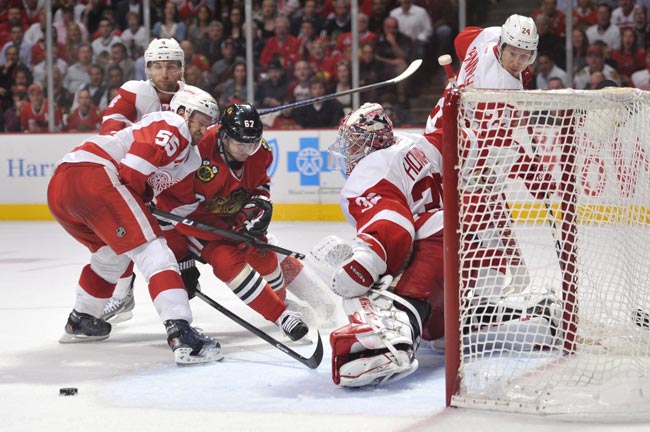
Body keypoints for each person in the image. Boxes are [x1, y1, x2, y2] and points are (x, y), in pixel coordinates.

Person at [47, 85, 222, 365]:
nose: (203, 131)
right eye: (201, 122)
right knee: (154, 252)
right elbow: (133, 174)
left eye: (208, 125)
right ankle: (182, 334)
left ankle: (82, 319)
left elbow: (165, 201)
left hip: (62, 188)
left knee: (111, 255)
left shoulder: (191, 157)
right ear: (183, 111)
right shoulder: (173, 123)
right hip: (95, 174)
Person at [423, 15, 560, 346]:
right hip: (457, 152)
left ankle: (465, 294)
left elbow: (461, 39)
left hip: (445, 129)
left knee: (485, 212)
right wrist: (536, 178)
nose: (517, 62)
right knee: (479, 227)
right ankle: (471, 301)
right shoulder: (500, 92)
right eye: (513, 54)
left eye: (524, 56)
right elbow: (502, 154)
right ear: (501, 47)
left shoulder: (488, 36)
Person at [154, 104, 310, 342]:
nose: (247, 150)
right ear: (224, 137)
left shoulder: (259, 152)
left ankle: (280, 301)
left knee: (263, 252)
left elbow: (260, 188)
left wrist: (255, 211)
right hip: (197, 227)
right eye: (240, 144)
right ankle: (281, 315)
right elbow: (167, 209)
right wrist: (182, 260)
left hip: (234, 220)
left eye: (252, 144)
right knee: (227, 261)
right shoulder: (196, 151)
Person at [319, 102, 444, 387]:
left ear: (373, 141)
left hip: (442, 256)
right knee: (438, 334)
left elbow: (393, 226)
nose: (348, 151)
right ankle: (508, 317)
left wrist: (366, 260)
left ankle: (395, 336)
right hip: (481, 254)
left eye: (354, 143)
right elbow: (444, 130)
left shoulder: (370, 168)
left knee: (366, 285)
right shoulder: (418, 143)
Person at [98, 37, 186, 323]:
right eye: (158, 66)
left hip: (177, 183)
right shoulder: (134, 93)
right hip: (137, 179)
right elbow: (110, 133)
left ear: (181, 69)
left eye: (171, 66)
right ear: (148, 69)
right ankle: (122, 294)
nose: (164, 73)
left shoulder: (193, 97)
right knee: (119, 233)